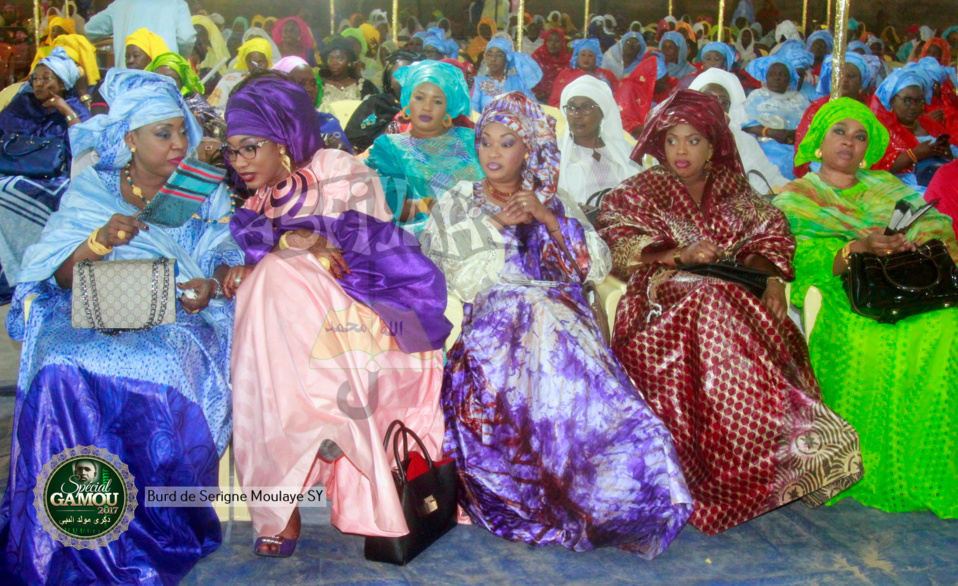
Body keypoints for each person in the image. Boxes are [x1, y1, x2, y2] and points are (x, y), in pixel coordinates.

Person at [420, 91, 693, 557]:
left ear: (529, 149)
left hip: (562, 324)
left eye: (507, 143)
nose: (491, 153)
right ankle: (542, 497)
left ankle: (621, 494)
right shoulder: (457, 202)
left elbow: (594, 266)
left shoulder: (554, 199)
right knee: (535, 311)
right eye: (485, 142)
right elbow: (452, 275)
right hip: (496, 331)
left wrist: (546, 218)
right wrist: (506, 234)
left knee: (555, 324)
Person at [0, 70, 241, 584]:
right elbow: (60, 273)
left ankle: (155, 524)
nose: (180, 143)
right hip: (92, 306)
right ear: (129, 139)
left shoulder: (202, 187)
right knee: (62, 362)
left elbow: (223, 251)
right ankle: (69, 526)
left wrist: (213, 282)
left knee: (158, 361)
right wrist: (101, 240)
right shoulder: (93, 187)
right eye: (163, 133)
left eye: (182, 130)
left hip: (180, 309)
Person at [595, 90, 863, 535]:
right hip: (662, 307)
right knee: (711, 297)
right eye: (673, 140)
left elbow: (769, 236)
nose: (682, 150)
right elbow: (618, 244)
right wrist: (680, 254)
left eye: (694, 140)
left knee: (723, 299)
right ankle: (776, 454)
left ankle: (778, 456)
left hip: (738, 307)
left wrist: (772, 279)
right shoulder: (637, 192)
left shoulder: (735, 189)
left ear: (714, 144)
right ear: (659, 145)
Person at [224, 76, 451, 557]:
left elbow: (381, 250)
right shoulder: (254, 204)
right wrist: (284, 244)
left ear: (284, 140)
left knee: (278, 276)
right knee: (269, 281)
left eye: (249, 148)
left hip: (363, 310)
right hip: (295, 331)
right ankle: (310, 436)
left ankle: (302, 455)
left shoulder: (337, 169)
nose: (239, 162)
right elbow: (257, 244)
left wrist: (310, 240)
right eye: (233, 152)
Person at [771, 98, 958, 519]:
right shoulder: (798, 197)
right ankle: (867, 468)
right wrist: (858, 246)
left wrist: (909, 241)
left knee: (947, 325)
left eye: (860, 137)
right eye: (840, 132)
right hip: (844, 293)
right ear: (818, 142)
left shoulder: (889, 188)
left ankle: (923, 465)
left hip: (908, 290)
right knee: (870, 341)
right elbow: (796, 257)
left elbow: (937, 225)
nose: (849, 143)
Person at [0, 48, 91, 299]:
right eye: (35, 78)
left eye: (46, 78)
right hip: (15, 168)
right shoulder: (22, 104)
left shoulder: (74, 108)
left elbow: (86, 147)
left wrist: (64, 110)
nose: (38, 84)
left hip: (58, 176)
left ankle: (35, 271)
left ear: (62, 83)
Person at [365, 61, 483, 227]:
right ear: (408, 101)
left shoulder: (472, 140)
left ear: (448, 107)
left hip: (487, 227)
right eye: (419, 98)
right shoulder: (390, 147)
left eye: (437, 101)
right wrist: (433, 207)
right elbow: (390, 207)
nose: (427, 107)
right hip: (420, 238)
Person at [689, 68, 789, 194]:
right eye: (708, 99)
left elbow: (771, 177)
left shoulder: (744, 141)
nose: (716, 106)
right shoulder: (681, 138)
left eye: (723, 102)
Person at [558, 76, 642, 205]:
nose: (577, 115)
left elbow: (641, 196)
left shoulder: (625, 151)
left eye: (586, 107)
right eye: (571, 107)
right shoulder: (555, 152)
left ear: (601, 112)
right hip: (572, 224)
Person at [869, 65, 956, 188]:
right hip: (897, 189)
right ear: (892, 100)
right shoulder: (880, 129)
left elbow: (950, 159)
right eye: (907, 100)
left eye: (919, 100)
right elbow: (874, 168)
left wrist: (946, 154)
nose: (914, 106)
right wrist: (913, 155)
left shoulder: (929, 124)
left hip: (937, 181)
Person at [792, 52, 873, 178]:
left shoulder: (871, 108)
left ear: (862, 81)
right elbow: (806, 142)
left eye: (851, 76)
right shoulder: (820, 107)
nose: (844, 80)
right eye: (839, 76)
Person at [743, 56, 811, 180]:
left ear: (789, 78)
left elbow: (810, 125)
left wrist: (795, 134)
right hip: (766, 146)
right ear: (766, 77)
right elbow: (746, 125)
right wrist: (771, 132)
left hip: (795, 146)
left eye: (782, 74)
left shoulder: (799, 99)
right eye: (772, 74)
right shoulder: (757, 96)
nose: (777, 78)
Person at [344, 50, 423, 153]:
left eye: (410, 75)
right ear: (389, 80)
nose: (405, 80)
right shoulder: (376, 104)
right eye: (399, 75)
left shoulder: (427, 108)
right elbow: (353, 139)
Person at [271, 57, 352, 153]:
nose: (310, 89)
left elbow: (347, 163)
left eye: (313, 83)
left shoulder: (326, 122)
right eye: (302, 84)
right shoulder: (269, 127)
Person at [84, 0, 195, 70]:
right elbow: (186, 38)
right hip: (164, 76)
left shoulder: (120, 4)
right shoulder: (177, 4)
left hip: (127, 79)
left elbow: (89, 30)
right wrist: (178, 62)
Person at [146, 52, 225, 142]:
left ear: (182, 81)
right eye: (159, 79)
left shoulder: (194, 106)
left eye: (171, 79)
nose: (164, 84)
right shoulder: (148, 105)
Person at [470, 38, 542, 112]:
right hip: (485, 123)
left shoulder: (518, 82)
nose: (493, 59)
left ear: (506, 59)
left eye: (499, 55)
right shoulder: (477, 82)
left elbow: (534, 109)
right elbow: (472, 111)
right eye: (489, 54)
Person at [548, 38, 619, 107]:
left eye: (590, 55)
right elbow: (555, 101)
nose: (586, 59)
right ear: (576, 57)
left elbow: (619, 96)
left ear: (596, 58)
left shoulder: (607, 74)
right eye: (583, 55)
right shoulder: (566, 74)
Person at [207, 37, 273, 110]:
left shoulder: (275, 84)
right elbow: (215, 108)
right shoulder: (230, 82)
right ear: (246, 63)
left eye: (260, 62)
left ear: (267, 62)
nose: (256, 66)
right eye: (251, 63)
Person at [317, 37, 378, 112]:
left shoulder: (363, 86)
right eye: (331, 59)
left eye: (340, 59)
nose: (334, 63)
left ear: (349, 61)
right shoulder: (320, 85)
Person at [531, 27, 570, 102]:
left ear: (562, 43)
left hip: (560, 101)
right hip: (536, 100)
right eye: (549, 40)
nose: (553, 44)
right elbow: (528, 81)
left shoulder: (568, 61)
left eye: (557, 41)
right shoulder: (537, 57)